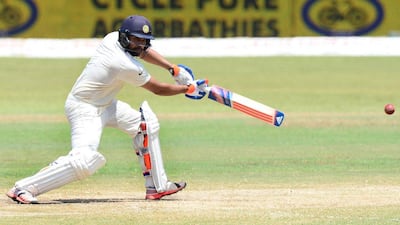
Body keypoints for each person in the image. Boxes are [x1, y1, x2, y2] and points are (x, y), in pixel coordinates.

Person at [6, 15, 208, 204]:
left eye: (144, 40)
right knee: (85, 161)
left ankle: (157, 187)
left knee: (145, 125)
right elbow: (157, 89)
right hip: (84, 108)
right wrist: (187, 89)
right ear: (124, 37)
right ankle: (23, 188)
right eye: (135, 39)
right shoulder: (123, 64)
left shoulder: (113, 37)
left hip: (106, 104)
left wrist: (173, 68)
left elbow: (144, 52)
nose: (139, 44)